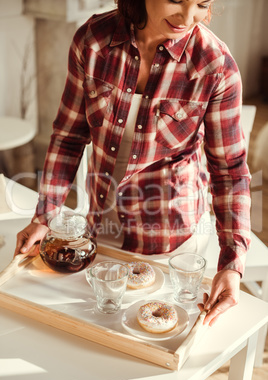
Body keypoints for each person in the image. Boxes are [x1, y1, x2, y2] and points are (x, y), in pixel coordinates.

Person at [15, 0, 251, 330]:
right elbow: (69, 136)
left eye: (201, 4)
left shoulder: (215, 66)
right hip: (99, 232)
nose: (187, 17)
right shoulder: (93, 41)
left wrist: (231, 264)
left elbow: (230, 171)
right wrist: (45, 216)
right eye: (175, 0)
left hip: (170, 240)